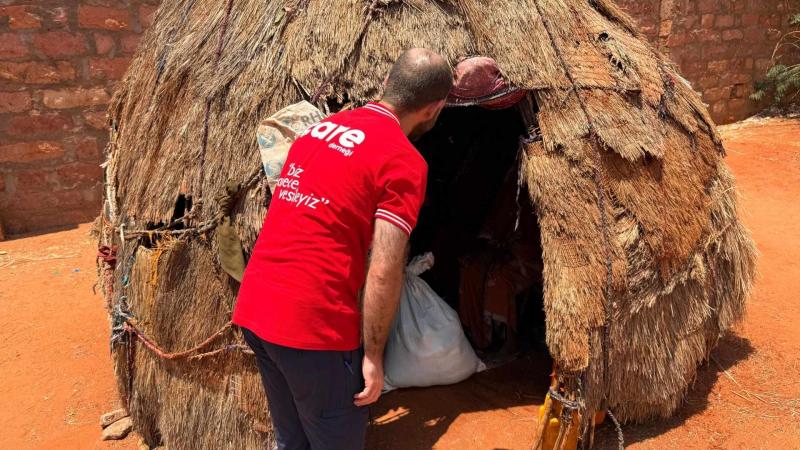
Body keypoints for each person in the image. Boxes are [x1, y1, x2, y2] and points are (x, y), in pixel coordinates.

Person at [233, 48, 453, 450]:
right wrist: (374, 356)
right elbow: (385, 269)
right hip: (312, 326)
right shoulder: (403, 160)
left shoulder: (318, 131)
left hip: (255, 308)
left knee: (292, 439)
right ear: (433, 109)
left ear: (387, 83)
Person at [458, 164, 543, 355]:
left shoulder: (545, 193)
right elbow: (492, 229)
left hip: (528, 258)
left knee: (498, 277)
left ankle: (507, 341)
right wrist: (488, 250)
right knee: (470, 269)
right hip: (501, 249)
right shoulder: (511, 186)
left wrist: (512, 253)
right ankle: (477, 337)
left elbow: (539, 245)